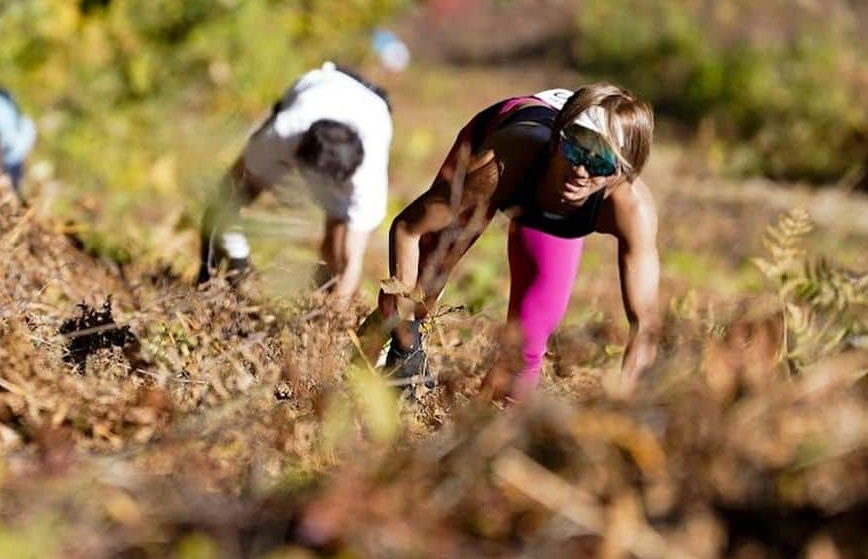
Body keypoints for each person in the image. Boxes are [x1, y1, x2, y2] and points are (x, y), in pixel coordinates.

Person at [360, 84, 659, 395]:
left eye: (600, 163)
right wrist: (406, 342)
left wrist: (624, 404)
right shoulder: (504, 160)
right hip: (510, 162)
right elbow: (408, 228)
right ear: (558, 138)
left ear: (624, 170)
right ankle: (374, 346)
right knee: (424, 290)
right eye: (574, 150)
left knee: (525, 349)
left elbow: (645, 327)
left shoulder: (631, 208)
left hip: (545, 197)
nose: (580, 171)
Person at [199, 62, 393, 303]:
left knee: (338, 243)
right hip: (321, 83)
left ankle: (325, 299)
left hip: (373, 105)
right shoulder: (284, 131)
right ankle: (211, 278)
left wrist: (334, 318)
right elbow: (227, 190)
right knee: (232, 196)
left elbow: (352, 259)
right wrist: (239, 261)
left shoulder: (368, 176)